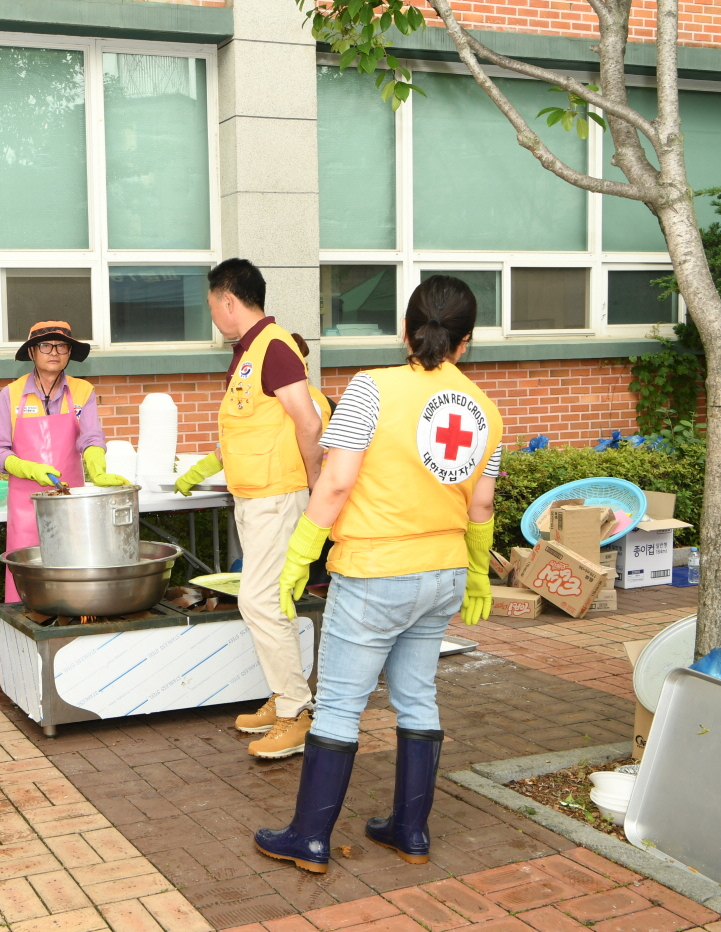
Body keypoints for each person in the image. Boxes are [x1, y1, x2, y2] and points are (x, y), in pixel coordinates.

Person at [253, 275, 503, 874]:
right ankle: (409, 830)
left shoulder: (371, 389)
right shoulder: (486, 408)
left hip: (374, 571)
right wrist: (475, 573)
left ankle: (309, 838)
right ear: (467, 342)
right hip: (441, 571)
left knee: (339, 704)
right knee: (418, 695)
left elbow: (336, 481)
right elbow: (482, 507)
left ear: (405, 331)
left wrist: (298, 555)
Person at [174, 259, 328, 759]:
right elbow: (250, 430)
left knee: (261, 601)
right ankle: (285, 696)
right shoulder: (249, 353)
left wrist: (316, 486)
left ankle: (295, 711)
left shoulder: (274, 349)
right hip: (254, 498)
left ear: (228, 300)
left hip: (279, 497)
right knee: (262, 601)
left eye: (212, 305)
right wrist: (205, 467)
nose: (213, 315)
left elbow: (308, 423)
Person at [0, 321, 129, 602]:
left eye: (62, 346)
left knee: (72, 575)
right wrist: (26, 467)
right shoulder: (12, 394)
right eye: (45, 345)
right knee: (27, 579)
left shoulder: (82, 391)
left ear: (69, 352)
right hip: (25, 504)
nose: (54, 351)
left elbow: (91, 437)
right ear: (31, 352)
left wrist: (97, 467)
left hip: (71, 502)